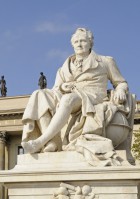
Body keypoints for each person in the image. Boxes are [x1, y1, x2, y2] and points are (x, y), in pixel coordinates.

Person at [21, 28, 130, 166]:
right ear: (72, 44)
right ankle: (52, 141)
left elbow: (120, 82)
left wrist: (120, 90)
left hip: (92, 96)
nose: (79, 44)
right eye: (76, 41)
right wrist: (62, 87)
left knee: (68, 99)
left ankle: (40, 141)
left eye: (83, 41)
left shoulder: (105, 61)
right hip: (69, 95)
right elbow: (56, 88)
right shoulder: (64, 67)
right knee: (39, 94)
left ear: (90, 43)